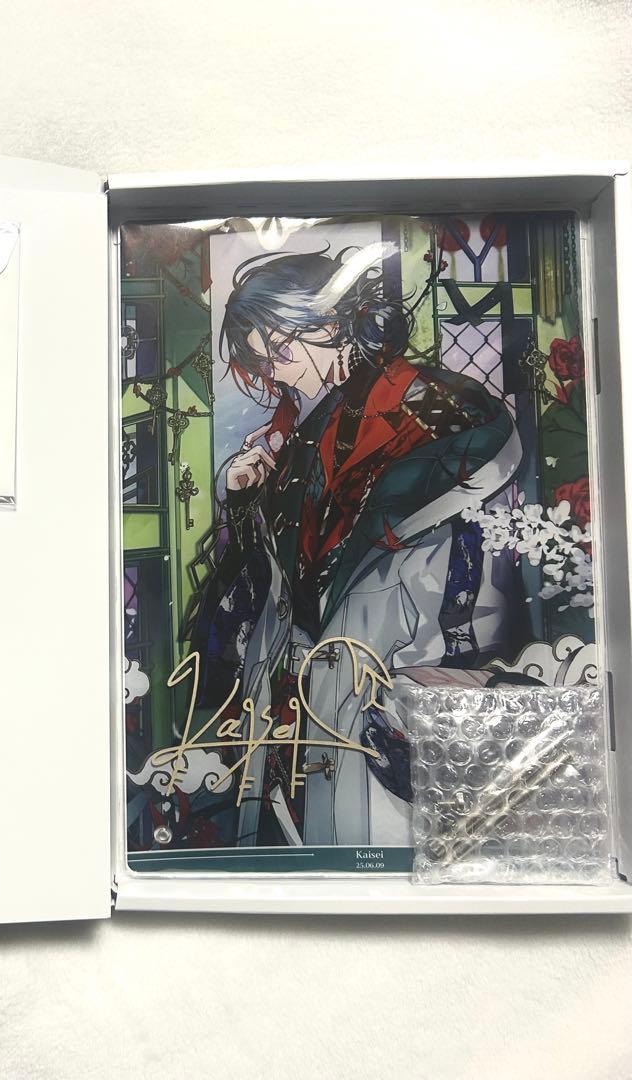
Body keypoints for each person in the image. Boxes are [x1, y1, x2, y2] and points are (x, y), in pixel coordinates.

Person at [189, 245, 522, 847]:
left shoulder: (431, 408)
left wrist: (410, 698)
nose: (278, 373)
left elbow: (473, 567)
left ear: (329, 320)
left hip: (398, 697)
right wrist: (246, 499)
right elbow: (285, 586)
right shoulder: (311, 432)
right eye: (265, 359)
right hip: (313, 710)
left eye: (281, 348)